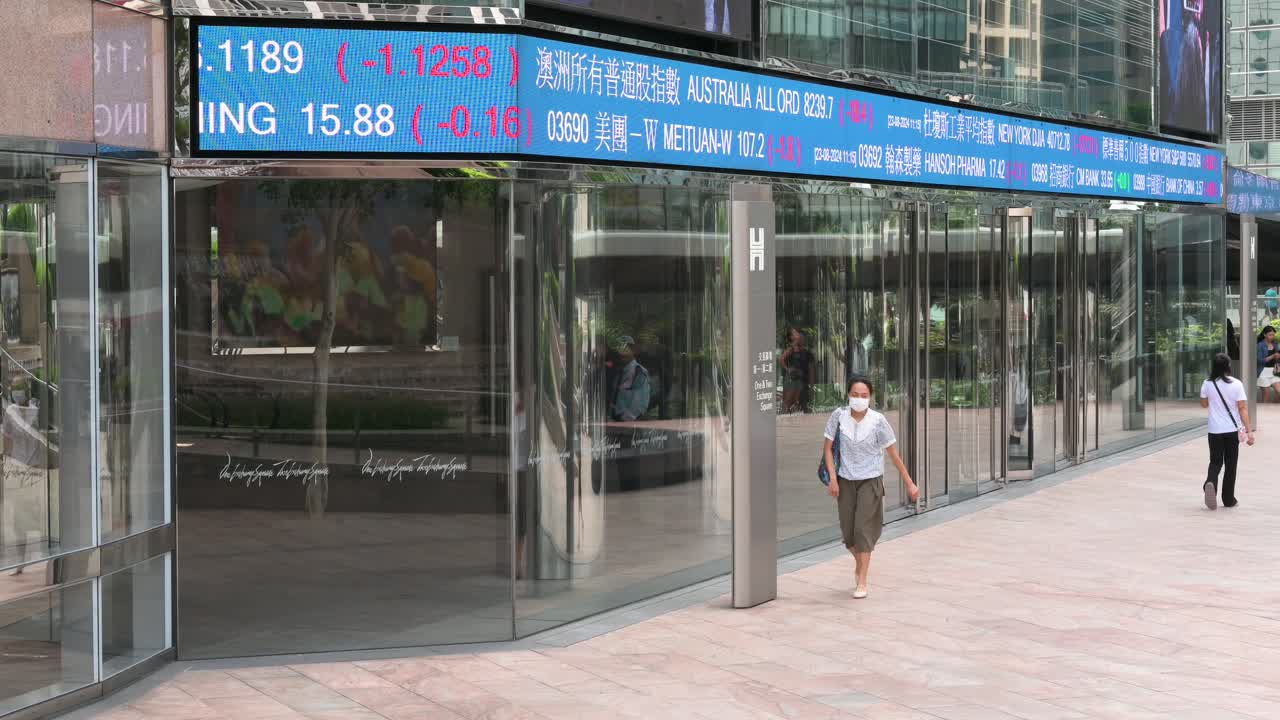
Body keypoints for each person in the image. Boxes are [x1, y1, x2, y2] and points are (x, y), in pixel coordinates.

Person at [822, 375, 919, 599]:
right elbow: (827, 449)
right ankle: (860, 565)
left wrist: (910, 484)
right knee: (848, 534)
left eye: (864, 395)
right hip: (845, 481)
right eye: (855, 395)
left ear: (870, 397)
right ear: (848, 395)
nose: (859, 399)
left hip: (871, 481)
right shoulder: (838, 417)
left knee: (862, 531)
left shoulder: (878, 421)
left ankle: (862, 580)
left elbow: (894, 456)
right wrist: (833, 479)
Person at [1200, 353, 1254, 510]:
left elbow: (1204, 404)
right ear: (1228, 366)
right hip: (1231, 431)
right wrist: (1249, 431)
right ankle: (1228, 499)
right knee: (1231, 464)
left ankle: (1210, 483)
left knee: (1215, 462)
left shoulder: (1207, 383)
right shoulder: (1236, 384)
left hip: (1214, 431)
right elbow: (1242, 408)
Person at [611, 336, 650, 422]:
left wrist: (626, 420)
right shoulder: (618, 371)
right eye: (620, 349)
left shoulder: (639, 372)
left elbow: (640, 402)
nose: (622, 352)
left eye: (626, 349)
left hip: (630, 423)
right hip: (616, 422)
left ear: (633, 351)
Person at [780, 328, 815, 414]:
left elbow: (811, 371)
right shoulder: (791, 349)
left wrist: (811, 386)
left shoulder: (806, 352)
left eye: (797, 333)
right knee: (788, 403)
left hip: (802, 381)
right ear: (791, 337)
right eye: (795, 333)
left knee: (803, 404)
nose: (798, 335)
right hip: (792, 380)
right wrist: (788, 369)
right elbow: (781, 359)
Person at [1257, 326, 1280, 402]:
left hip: (1274, 372)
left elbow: (1277, 358)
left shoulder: (1276, 344)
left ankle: (1273, 408)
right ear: (1264, 334)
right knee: (1266, 394)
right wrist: (1273, 356)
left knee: (1279, 392)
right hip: (1263, 372)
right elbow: (1260, 360)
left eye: (1273, 335)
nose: (1272, 337)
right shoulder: (1260, 345)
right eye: (1270, 335)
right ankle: (1264, 411)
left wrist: (1277, 357)